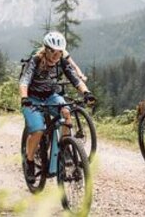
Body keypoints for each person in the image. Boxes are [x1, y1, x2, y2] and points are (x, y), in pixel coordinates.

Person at [20, 31, 95, 183]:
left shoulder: (61, 61)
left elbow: (74, 78)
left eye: (59, 52)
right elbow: (24, 81)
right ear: (46, 50)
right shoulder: (35, 60)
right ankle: (29, 162)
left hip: (50, 97)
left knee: (66, 112)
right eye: (53, 52)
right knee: (38, 130)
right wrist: (24, 98)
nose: (56, 55)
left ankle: (65, 146)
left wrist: (86, 92)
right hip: (32, 99)